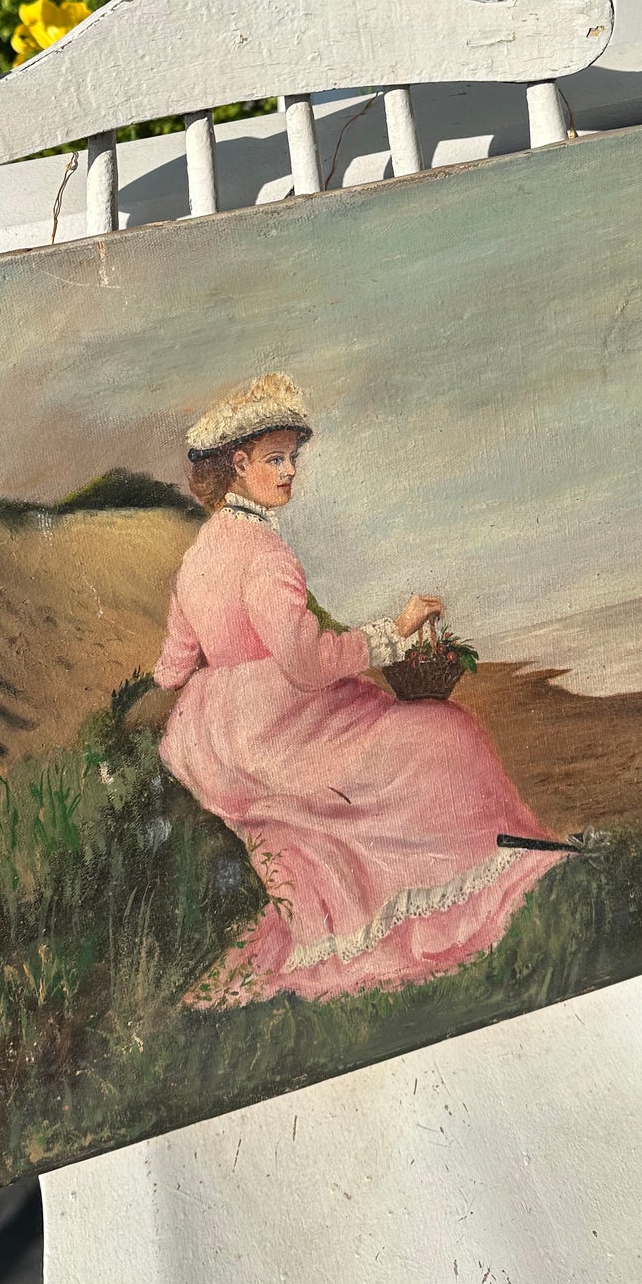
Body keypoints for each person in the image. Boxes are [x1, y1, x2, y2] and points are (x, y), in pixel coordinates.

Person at [153, 372, 567, 1007]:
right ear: (238, 465)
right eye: (275, 458)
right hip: (281, 726)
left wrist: (164, 700)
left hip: (222, 733)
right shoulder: (264, 554)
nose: (290, 471)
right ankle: (453, 898)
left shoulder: (197, 556)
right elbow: (304, 665)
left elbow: (176, 663)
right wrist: (392, 633)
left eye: (293, 457)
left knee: (400, 750)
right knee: (444, 736)